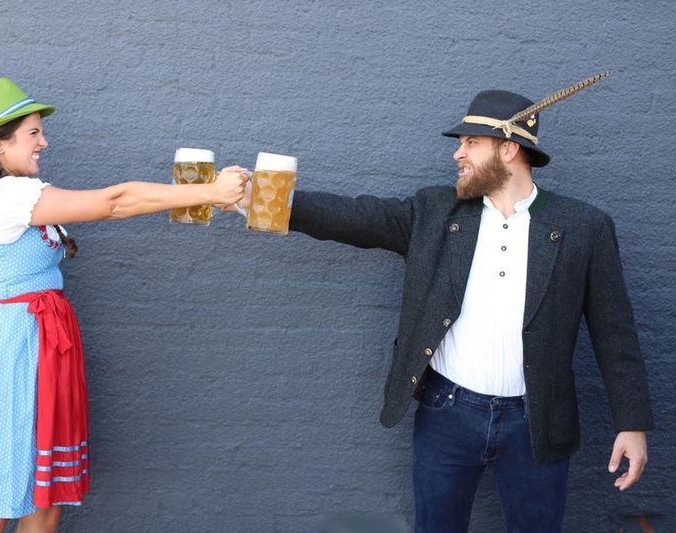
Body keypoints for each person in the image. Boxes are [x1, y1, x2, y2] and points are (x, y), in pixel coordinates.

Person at [239, 77, 654, 532]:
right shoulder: (435, 212)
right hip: (447, 413)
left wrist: (631, 423)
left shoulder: (584, 226)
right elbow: (354, 217)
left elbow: (616, 333)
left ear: (508, 149)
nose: (458, 154)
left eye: (471, 143)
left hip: (537, 421)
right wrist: (261, 200)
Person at [0, 77, 248, 533]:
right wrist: (207, 192)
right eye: (33, 133)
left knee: (44, 499)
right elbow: (115, 203)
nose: (44, 142)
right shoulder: (9, 197)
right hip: (9, 347)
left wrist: (201, 197)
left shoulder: (7, 193)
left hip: (31, 340)